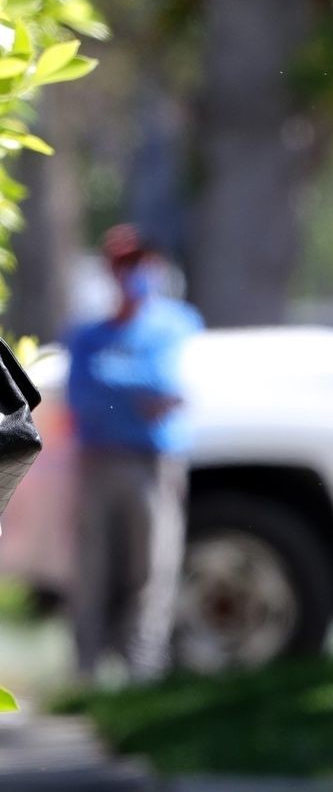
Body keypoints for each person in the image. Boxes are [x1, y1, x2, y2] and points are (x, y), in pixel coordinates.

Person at [62, 224, 205, 684]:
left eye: (141, 263)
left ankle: (142, 672)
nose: (134, 273)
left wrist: (120, 381)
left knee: (152, 569)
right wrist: (139, 390)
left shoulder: (178, 324)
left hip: (155, 463)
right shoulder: (87, 335)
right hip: (98, 461)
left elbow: (170, 384)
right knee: (93, 570)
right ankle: (86, 673)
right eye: (124, 265)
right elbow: (83, 392)